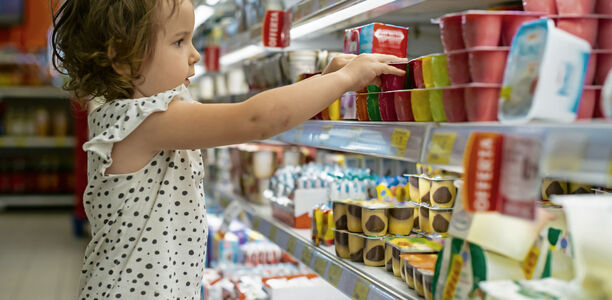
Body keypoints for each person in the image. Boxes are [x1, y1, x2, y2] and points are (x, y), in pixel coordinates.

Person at [51, 0, 405, 299]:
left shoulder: (155, 110)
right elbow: (256, 118)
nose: (194, 55)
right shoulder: (139, 120)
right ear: (121, 56)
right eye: (178, 42)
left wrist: (322, 81)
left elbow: (258, 111)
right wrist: (343, 80)